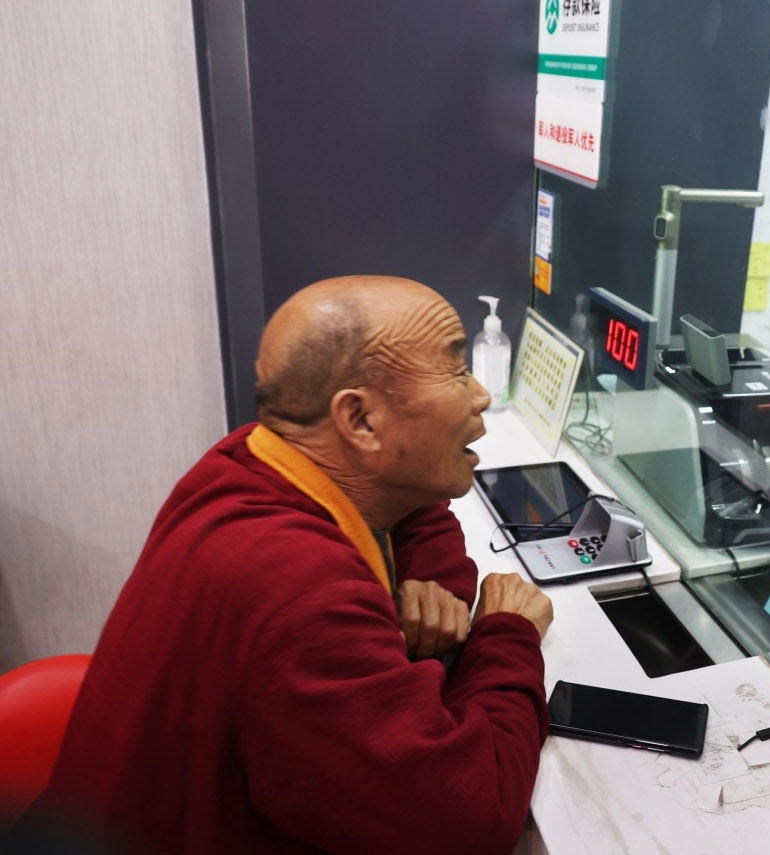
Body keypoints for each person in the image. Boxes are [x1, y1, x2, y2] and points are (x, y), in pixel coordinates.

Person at [29, 276, 554, 853]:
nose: (480, 395)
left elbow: (414, 505)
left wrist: (430, 581)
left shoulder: (252, 458)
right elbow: (470, 821)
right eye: (455, 371)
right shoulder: (305, 600)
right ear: (360, 420)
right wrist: (506, 635)